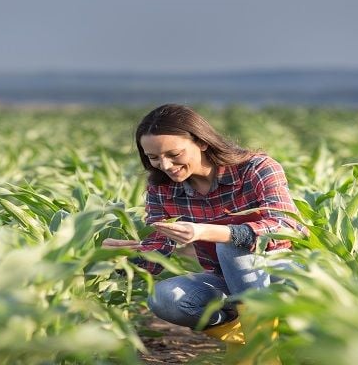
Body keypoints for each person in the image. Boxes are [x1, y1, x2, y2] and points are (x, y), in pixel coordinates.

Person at [102, 103, 307, 359]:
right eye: (153, 158)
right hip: (227, 280)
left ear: (201, 142)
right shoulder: (162, 189)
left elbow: (287, 225)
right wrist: (111, 258)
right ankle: (249, 337)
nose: (165, 165)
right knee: (164, 298)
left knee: (230, 243)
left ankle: (261, 356)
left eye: (173, 154)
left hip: (281, 273)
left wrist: (207, 232)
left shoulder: (256, 168)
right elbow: (155, 255)